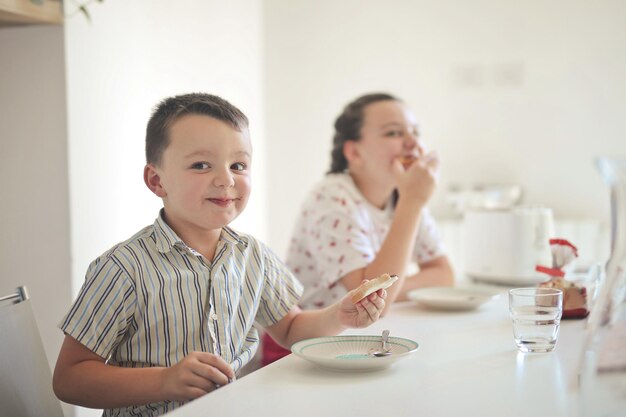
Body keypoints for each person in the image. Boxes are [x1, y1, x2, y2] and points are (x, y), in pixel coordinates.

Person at [52, 93, 387, 417]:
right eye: (201, 165)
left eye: (238, 165)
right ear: (156, 180)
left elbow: (291, 329)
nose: (226, 179)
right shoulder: (123, 269)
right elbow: (69, 379)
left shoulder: (253, 255)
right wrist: (164, 381)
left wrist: (340, 316)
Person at [262, 92, 454, 365]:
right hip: (302, 348)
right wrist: (412, 202)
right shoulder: (330, 198)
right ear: (354, 152)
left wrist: (392, 289)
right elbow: (376, 302)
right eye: (393, 133)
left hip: (360, 341)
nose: (412, 142)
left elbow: (444, 274)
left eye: (415, 131)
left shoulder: (404, 196)